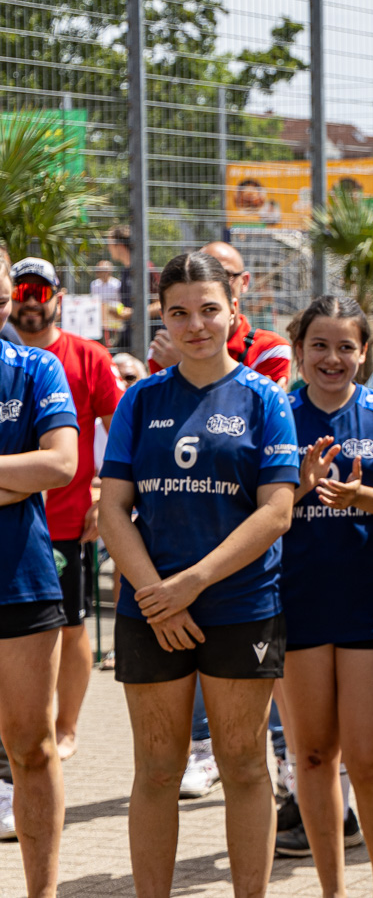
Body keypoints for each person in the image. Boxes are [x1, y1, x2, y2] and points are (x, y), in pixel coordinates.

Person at [99, 251, 299, 898]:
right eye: (179, 311)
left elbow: (276, 510)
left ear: (234, 310)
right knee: (158, 769)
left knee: (244, 763)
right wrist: (160, 596)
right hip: (151, 611)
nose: (196, 324)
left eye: (209, 309)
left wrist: (191, 583)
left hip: (241, 605)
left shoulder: (265, 398)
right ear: (161, 315)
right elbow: (113, 507)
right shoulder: (140, 398)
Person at [277, 296, 373, 897]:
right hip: (295, 604)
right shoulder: (275, 415)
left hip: (371, 603)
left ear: (363, 353)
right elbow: (254, 514)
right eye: (319, 346)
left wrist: (363, 499)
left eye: (345, 347)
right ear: (299, 349)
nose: (332, 358)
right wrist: (299, 493)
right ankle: (332, 892)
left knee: (369, 758)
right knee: (311, 757)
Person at [10, 257, 123, 762]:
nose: (30, 299)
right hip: (16, 525)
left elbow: (120, 429)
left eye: (40, 289)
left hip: (69, 520)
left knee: (74, 624)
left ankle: (67, 726)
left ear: (58, 296)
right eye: (21, 289)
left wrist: (103, 494)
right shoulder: (8, 357)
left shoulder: (86, 357)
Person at [0, 253, 79, 890]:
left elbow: (59, 465)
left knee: (31, 745)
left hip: (21, 581)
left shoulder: (35, 367)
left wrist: (31, 472)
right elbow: (32, 469)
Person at [149, 241, 291, 389]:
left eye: (225, 274)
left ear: (244, 282)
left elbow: (255, 410)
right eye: (201, 273)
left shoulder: (269, 349)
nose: (213, 281)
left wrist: (186, 369)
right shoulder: (166, 347)